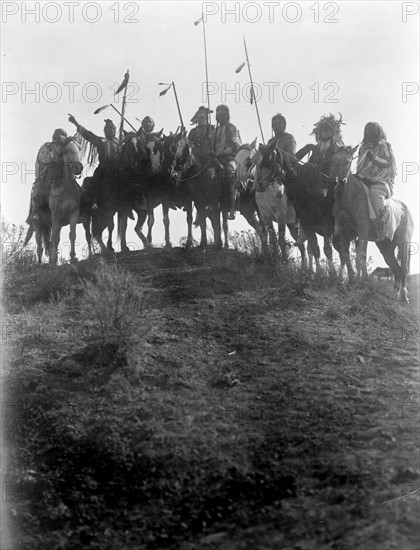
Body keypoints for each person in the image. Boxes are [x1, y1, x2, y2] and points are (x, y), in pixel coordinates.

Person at [68, 115, 125, 214]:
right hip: (104, 169)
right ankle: (94, 202)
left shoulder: (119, 143)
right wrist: (76, 123)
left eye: (112, 129)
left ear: (115, 130)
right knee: (94, 182)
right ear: (104, 131)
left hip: (117, 170)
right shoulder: (101, 141)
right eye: (107, 129)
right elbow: (88, 135)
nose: (110, 130)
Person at [356, 121, 396, 241]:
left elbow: (388, 162)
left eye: (371, 132)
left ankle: (381, 223)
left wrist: (374, 158)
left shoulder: (384, 145)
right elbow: (360, 164)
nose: (368, 134)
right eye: (367, 131)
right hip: (363, 177)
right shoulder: (363, 147)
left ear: (377, 133)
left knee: (374, 193)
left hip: (380, 180)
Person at [27, 128, 68, 223]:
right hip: (46, 173)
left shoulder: (64, 148)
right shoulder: (47, 146)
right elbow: (42, 159)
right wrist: (54, 163)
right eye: (61, 137)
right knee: (38, 189)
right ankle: (36, 211)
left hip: (61, 173)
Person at [212, 104, 242, 220]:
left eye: (223, 114)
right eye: (219, 115)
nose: (221, 117)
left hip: (229, 158)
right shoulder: (215, 130)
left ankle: (233, 207)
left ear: (227, 115)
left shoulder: (231, 128)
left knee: (230, 175)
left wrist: (222, 153)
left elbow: (235, 146)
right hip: (215, 159)